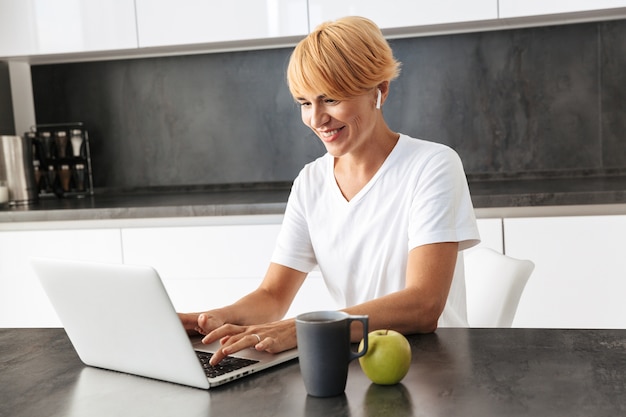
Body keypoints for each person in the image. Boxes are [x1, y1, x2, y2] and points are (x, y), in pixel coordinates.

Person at [180, 16, 480, 365]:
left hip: (436, 367)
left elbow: (424, 305)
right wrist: (216, 318)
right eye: (305, 103)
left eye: (331, 99)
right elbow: (273, 295)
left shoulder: (432, 165)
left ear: (379, 91)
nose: (317, 119)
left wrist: (304, 328)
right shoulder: (310, 183)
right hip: (358, 363)